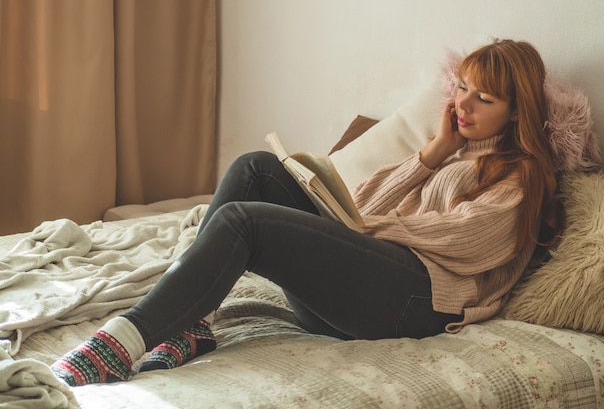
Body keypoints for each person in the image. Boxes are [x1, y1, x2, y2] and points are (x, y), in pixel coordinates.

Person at [51, 39, 564, 386]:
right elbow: (362, 205)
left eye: (485, 98)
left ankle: (123, 342)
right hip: (366, 289)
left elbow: (465, 240)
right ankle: (192, 324)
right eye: (462, 88)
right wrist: (430, 154)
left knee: (244, 221)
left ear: (517, 110)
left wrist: (357, 230)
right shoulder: (450, 153)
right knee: (257, 168)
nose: (464, 105)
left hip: (417, 302)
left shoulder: (522, 173)